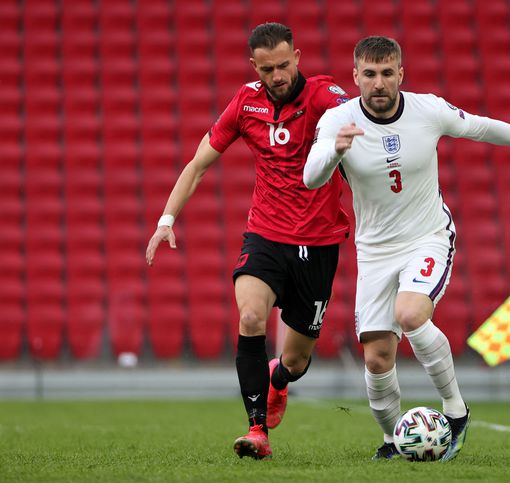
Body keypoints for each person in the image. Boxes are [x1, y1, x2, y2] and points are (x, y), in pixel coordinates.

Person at [304, 36, 510, 461]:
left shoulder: (427, 110)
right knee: (378, 358)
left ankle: (456, 411)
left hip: (427, 236)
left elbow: (479, 126)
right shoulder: (337, 121)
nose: (379, 83)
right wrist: (334, 150)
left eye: (387, 73)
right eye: (369, 74)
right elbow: (311, 177)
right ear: (355, 77)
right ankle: (391, 442)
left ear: (401, 74)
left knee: (410, 313)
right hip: (374, 252)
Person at [145, 23, 351, 460]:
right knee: (251, 316)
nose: (277, 75)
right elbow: (198, 164)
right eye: (268, 68)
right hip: (266, 235)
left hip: (319, 243)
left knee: (295, 362)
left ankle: (278, 381)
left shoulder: (323, 97)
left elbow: (362, 122)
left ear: (297, 56)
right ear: (254, 66)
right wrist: (166, 218)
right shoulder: (245, 102)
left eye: (283, 64)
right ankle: (257, 431)